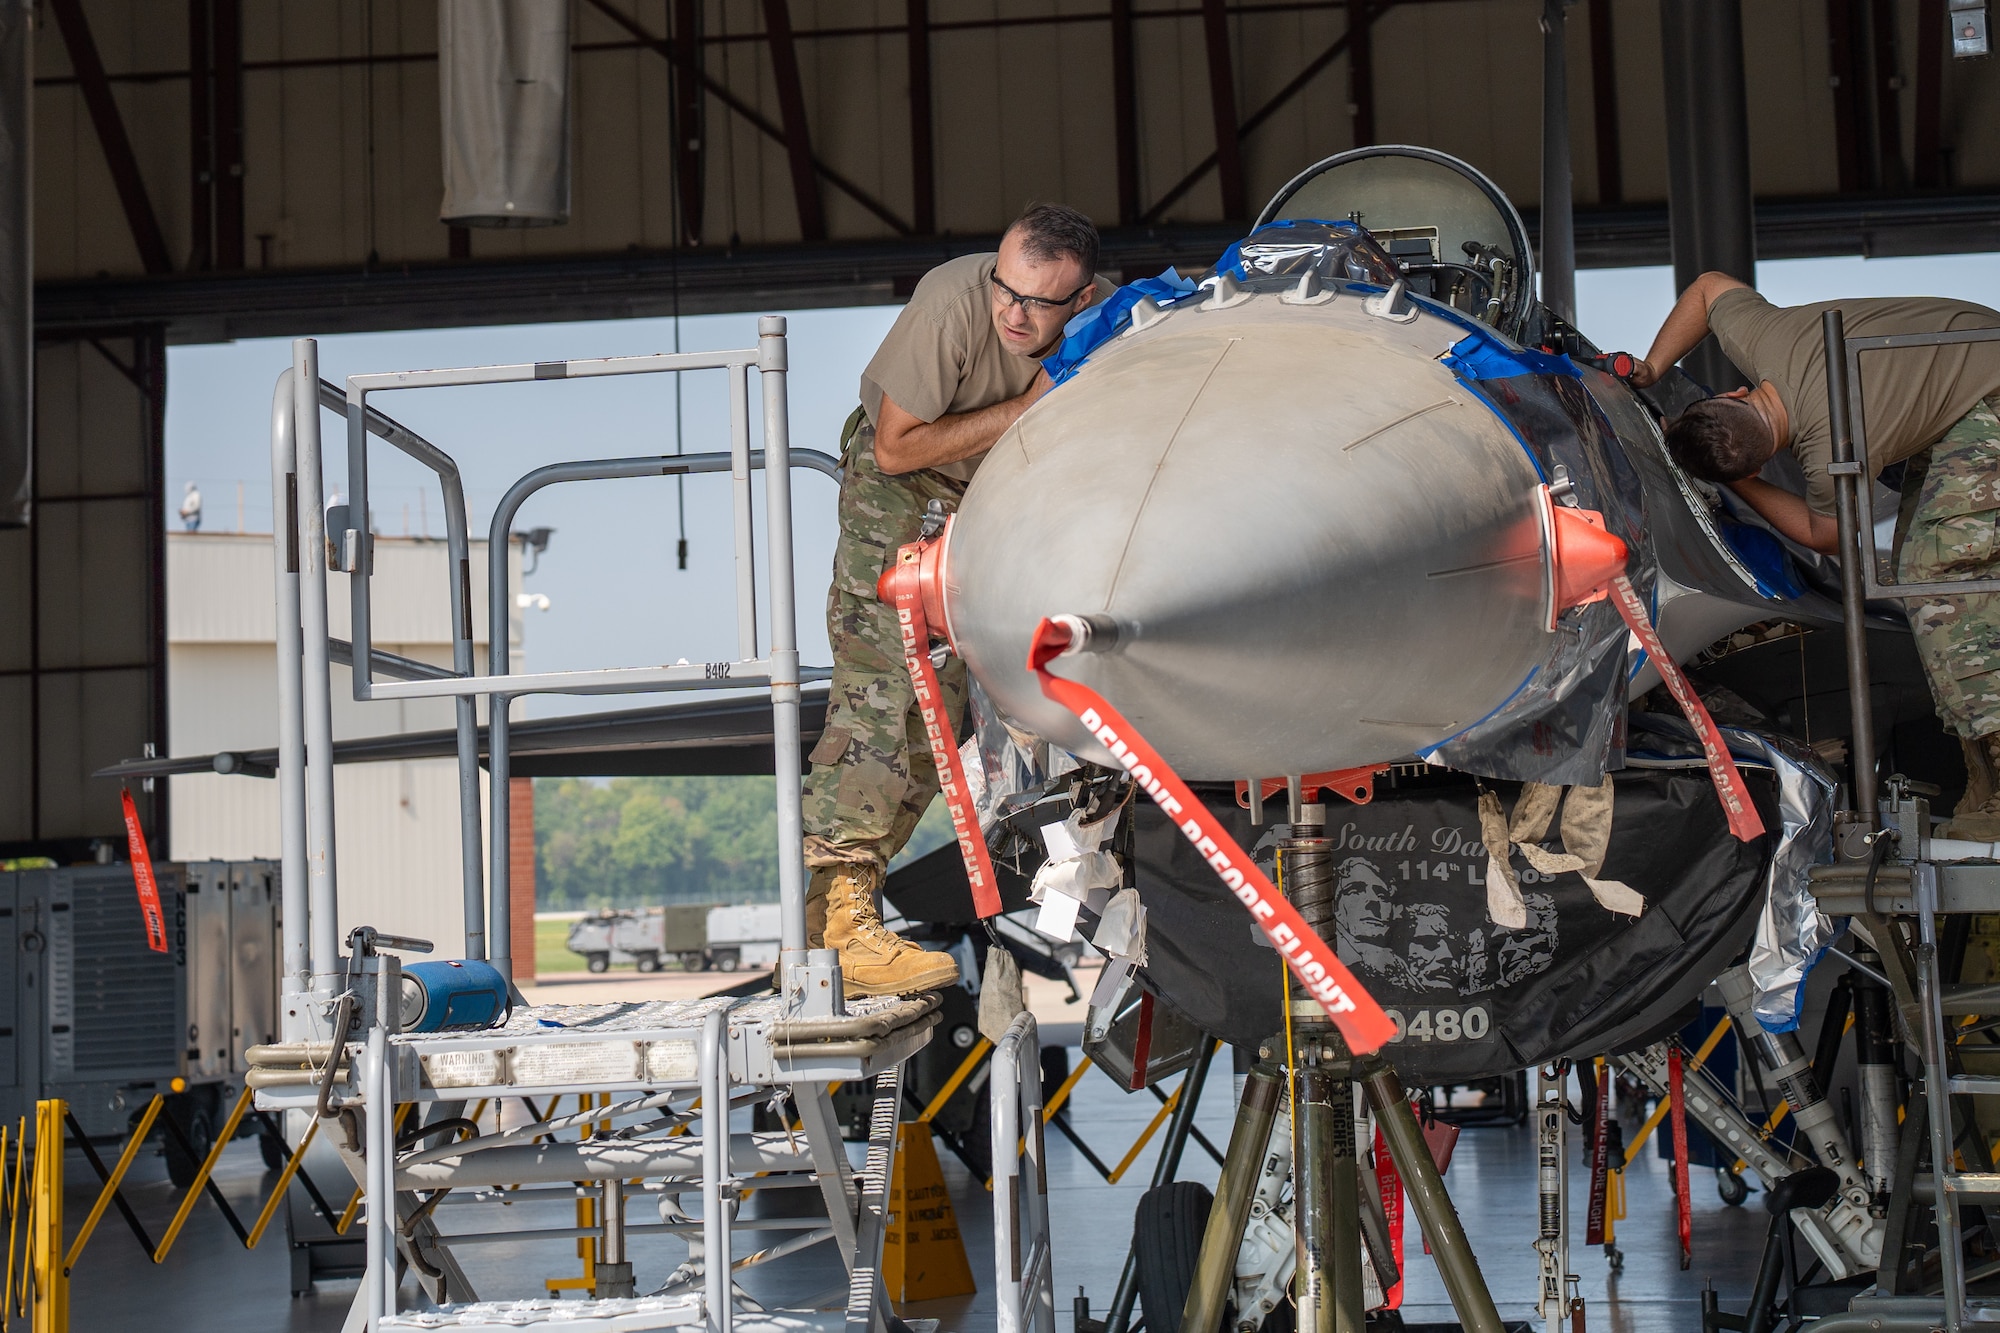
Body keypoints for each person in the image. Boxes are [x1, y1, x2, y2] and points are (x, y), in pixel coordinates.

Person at [801, 203, 1110, 995]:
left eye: (1039, 302)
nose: (1014, 312)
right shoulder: (953, 300)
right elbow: (895, 445)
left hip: (993, 498)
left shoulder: (1109, 321)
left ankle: (832, 923)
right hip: (903, 486)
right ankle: (839, 924)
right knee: (879, 692)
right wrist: (1031, 406)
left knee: (937, 714)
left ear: (1079, 301)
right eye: (1006, 288)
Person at [1633, 272, 2000, 832]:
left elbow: (1824, 535)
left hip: (1987, 394)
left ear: (1754, 469)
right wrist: (1650, 368)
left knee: (1936, 574)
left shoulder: (1832, 446)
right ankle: (1983, 767)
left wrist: (1736, 484)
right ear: (1733, 395)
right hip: (1964, 372)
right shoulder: (1766, 338)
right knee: (1912, 571)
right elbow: (1708, 288)